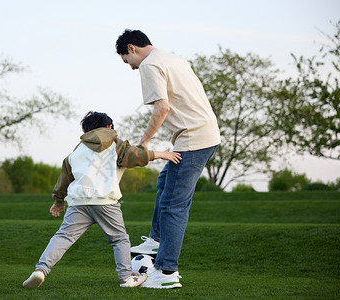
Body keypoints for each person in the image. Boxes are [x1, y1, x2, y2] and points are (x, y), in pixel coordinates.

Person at [22, 111, 182, 289]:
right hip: (105, 202)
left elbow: (65, 177)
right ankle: (126, 278)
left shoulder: (77, 150)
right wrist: (162, 154)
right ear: (109, 127)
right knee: (120, 240)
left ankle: (40, 270)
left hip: (78, 202)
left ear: (87, 130)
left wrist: (58, 201)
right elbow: (136, 155)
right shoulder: (114, 143)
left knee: (63, 237)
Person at [115, 29, 221, 289]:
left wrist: (144, 143)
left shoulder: (149, 65)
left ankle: (166, 272)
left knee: (174, 206)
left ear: (132, 48)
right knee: (165, 183)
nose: (130, 68)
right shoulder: (173, 58)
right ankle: (156, 240)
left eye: (126, 61)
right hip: (204, 135)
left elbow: (163, 107)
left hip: (193, 140)